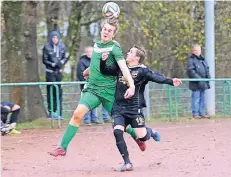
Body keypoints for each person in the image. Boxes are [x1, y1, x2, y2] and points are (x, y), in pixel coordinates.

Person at [49, 18, 138, 157]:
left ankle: (137, 136)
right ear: (101, 30)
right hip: (92, 89)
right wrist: (88, 71)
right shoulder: (96, 45)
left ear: (113, 34)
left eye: (109, 30)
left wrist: (131, 85)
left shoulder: (115, 48)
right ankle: (62, 147)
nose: (106, 32)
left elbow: (124, 69)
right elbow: (96, 64)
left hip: (108, 92)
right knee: (77, 114)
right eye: (105, 29)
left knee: (120, 122)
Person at [100, 45, 182, 171]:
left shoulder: (142, 71)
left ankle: (151, 132)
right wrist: (103, 60)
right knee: (117, 132)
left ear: (137, 57)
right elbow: (105, 71)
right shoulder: (122, 67)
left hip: (134, 109)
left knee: (142, 137)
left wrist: (171, 81)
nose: (127, 53)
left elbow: (157, 78)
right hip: (119, 108)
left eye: (130, 52)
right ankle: (127, 163)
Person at [76, 46, 109, 125]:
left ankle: (94, 118)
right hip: (87, 84)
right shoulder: (82, 62)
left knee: (94, 101)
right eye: (88, 52)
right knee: (87, 102)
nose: (90, 53)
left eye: (91, 52)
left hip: (96, 85)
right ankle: (87, 120)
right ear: (86, 52)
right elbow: (81, 74)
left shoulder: (96, 60)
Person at [43, 31, 67, 119]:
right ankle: (51, 112)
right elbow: (44, 60)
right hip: (50, 72)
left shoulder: (62, 46)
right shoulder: (46, 47)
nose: (55, 39)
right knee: (51, 91)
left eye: (56, 37)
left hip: (59, 72)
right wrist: (52, 64)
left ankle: (59, 113)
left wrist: (61, 63)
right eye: (53, 37)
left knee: (59, 92)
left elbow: (65, 57)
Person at [187, 44, 210, 119]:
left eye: (198, 50)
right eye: (196, 50)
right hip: (195, 83)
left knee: (202, 99)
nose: (197, 52)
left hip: (203, 82)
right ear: (193, 51)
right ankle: (195, 113)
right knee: (196, 98)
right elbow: (191, 71)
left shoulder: (203, 60)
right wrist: (199, 79)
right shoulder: (191, 60)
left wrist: (208, 77)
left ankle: (201, 113)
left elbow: (207, 69)